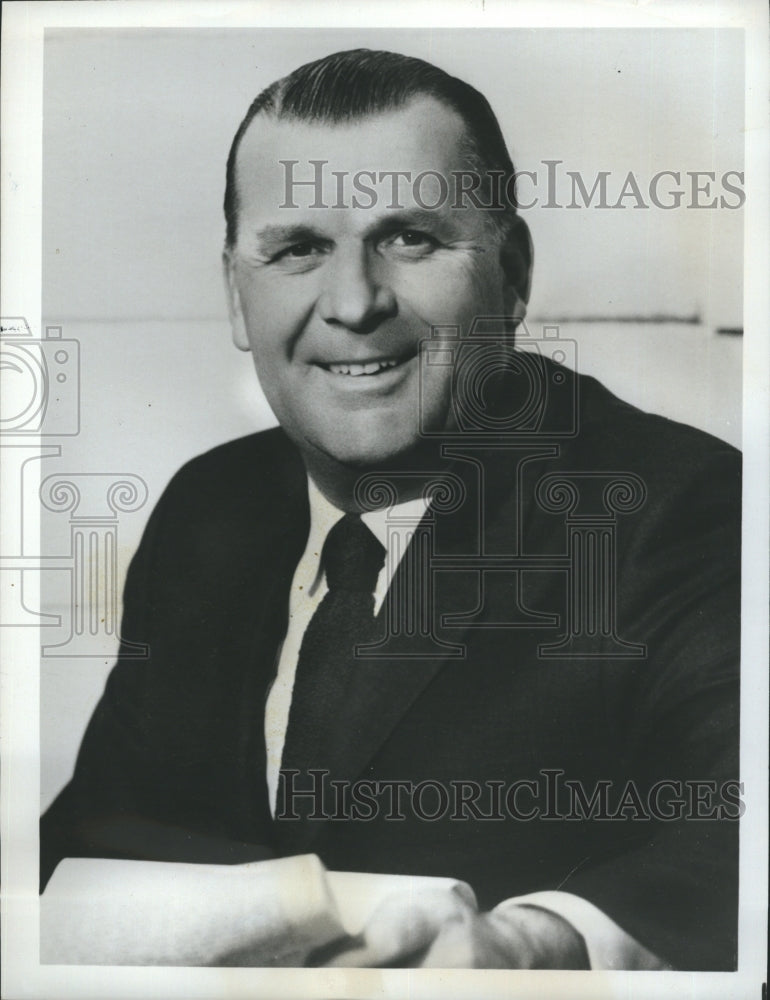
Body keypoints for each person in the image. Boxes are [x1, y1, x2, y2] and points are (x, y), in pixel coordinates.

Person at [40, 48, 740, 971]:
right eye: (297, 249)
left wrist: (538, 945)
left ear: (514, 274)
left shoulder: (683, 506)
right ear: (236, 296)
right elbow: (102, 843)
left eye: (409, 238)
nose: (355, 302)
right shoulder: (211, 510)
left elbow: (733, 831)